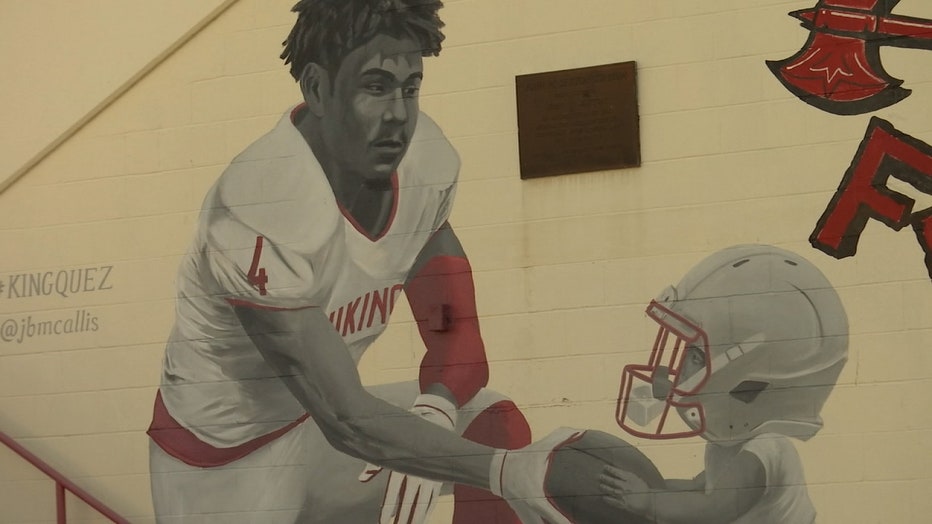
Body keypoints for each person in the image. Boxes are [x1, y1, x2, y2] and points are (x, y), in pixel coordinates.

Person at [146, 1, 578, 523]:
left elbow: (456, 332)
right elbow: (347, 419)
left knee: (489, 417)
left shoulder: (425, 156)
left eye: (411, 87)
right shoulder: (261, 203)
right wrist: (507, 472)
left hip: (315, 427)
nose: (398, 112)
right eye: (375, 86)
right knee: (497, 460)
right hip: (225, 457)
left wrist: (436, 411)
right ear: (318, 89)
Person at [598, 244, 849, 523]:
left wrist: (648, 501)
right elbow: (703, 488)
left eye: (695, 356)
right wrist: (654, 486)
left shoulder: (765, 448)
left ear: (748, 382)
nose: (679, 368)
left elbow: (712, 509)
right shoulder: (732, 435)